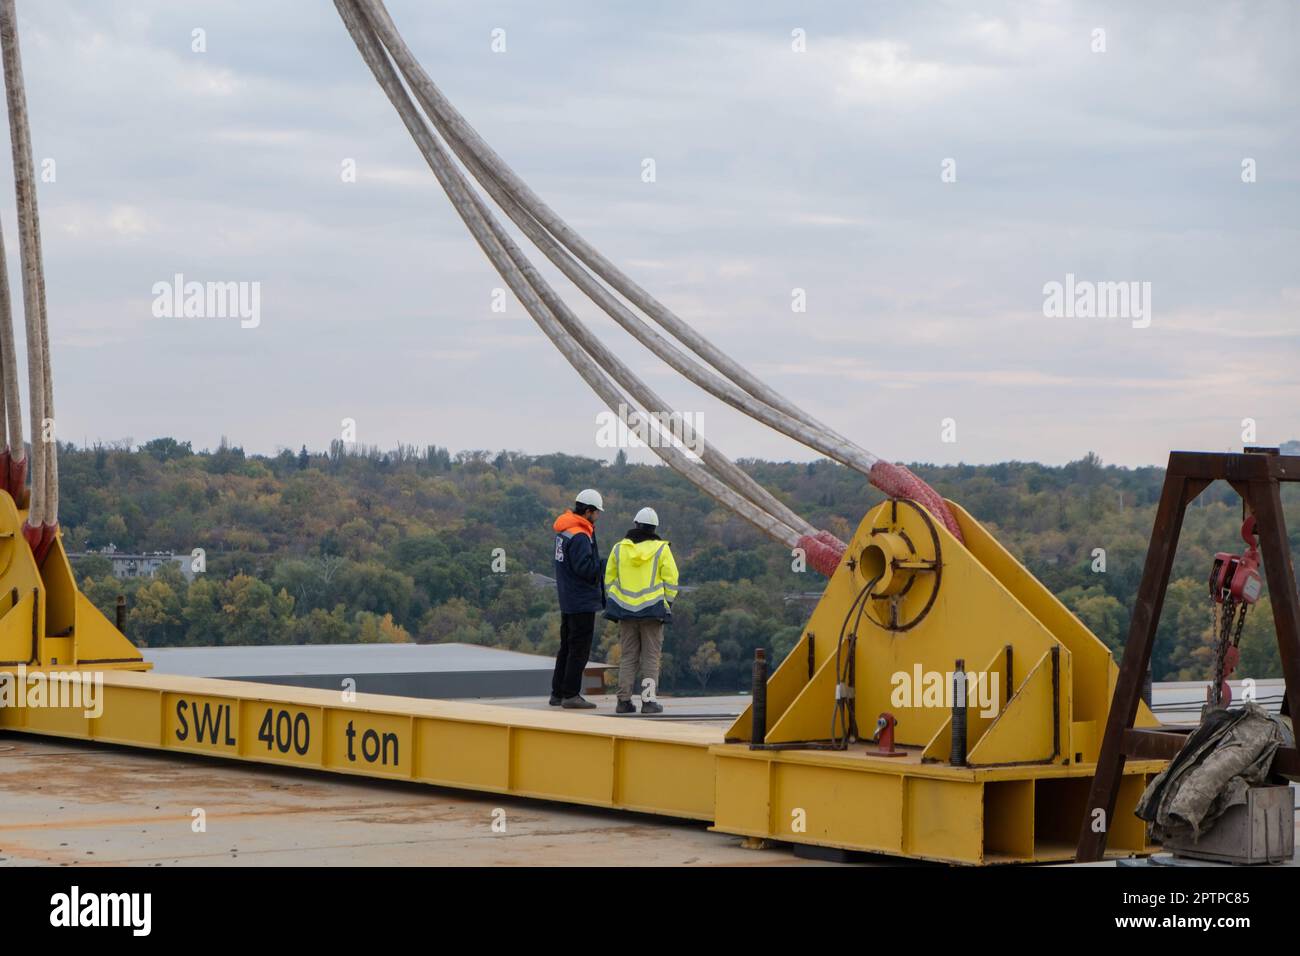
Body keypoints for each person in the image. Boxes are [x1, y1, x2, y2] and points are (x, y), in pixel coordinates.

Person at [603, 507, 678, 714]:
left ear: (636, 524)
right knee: (651, 658)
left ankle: (623, 701)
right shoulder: (662, 549)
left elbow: (609, 579)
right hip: (653, 612)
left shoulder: (619, 549)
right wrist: (667, 604)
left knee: (628, 656)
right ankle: (648, 702)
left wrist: (618, 601)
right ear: (654, 528)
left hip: (626, 612)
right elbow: (672, 581)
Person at [550, 488, 605, 709]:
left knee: (566, 646)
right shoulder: (581, 535)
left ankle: (558, 693)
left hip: (567, 597)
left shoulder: (564, 531)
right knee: (579, 649)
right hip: (581, 600)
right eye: (597, 512)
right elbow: (586, 569)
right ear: (589, 511)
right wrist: (602, 564)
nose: (598, 516)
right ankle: (571, 694)